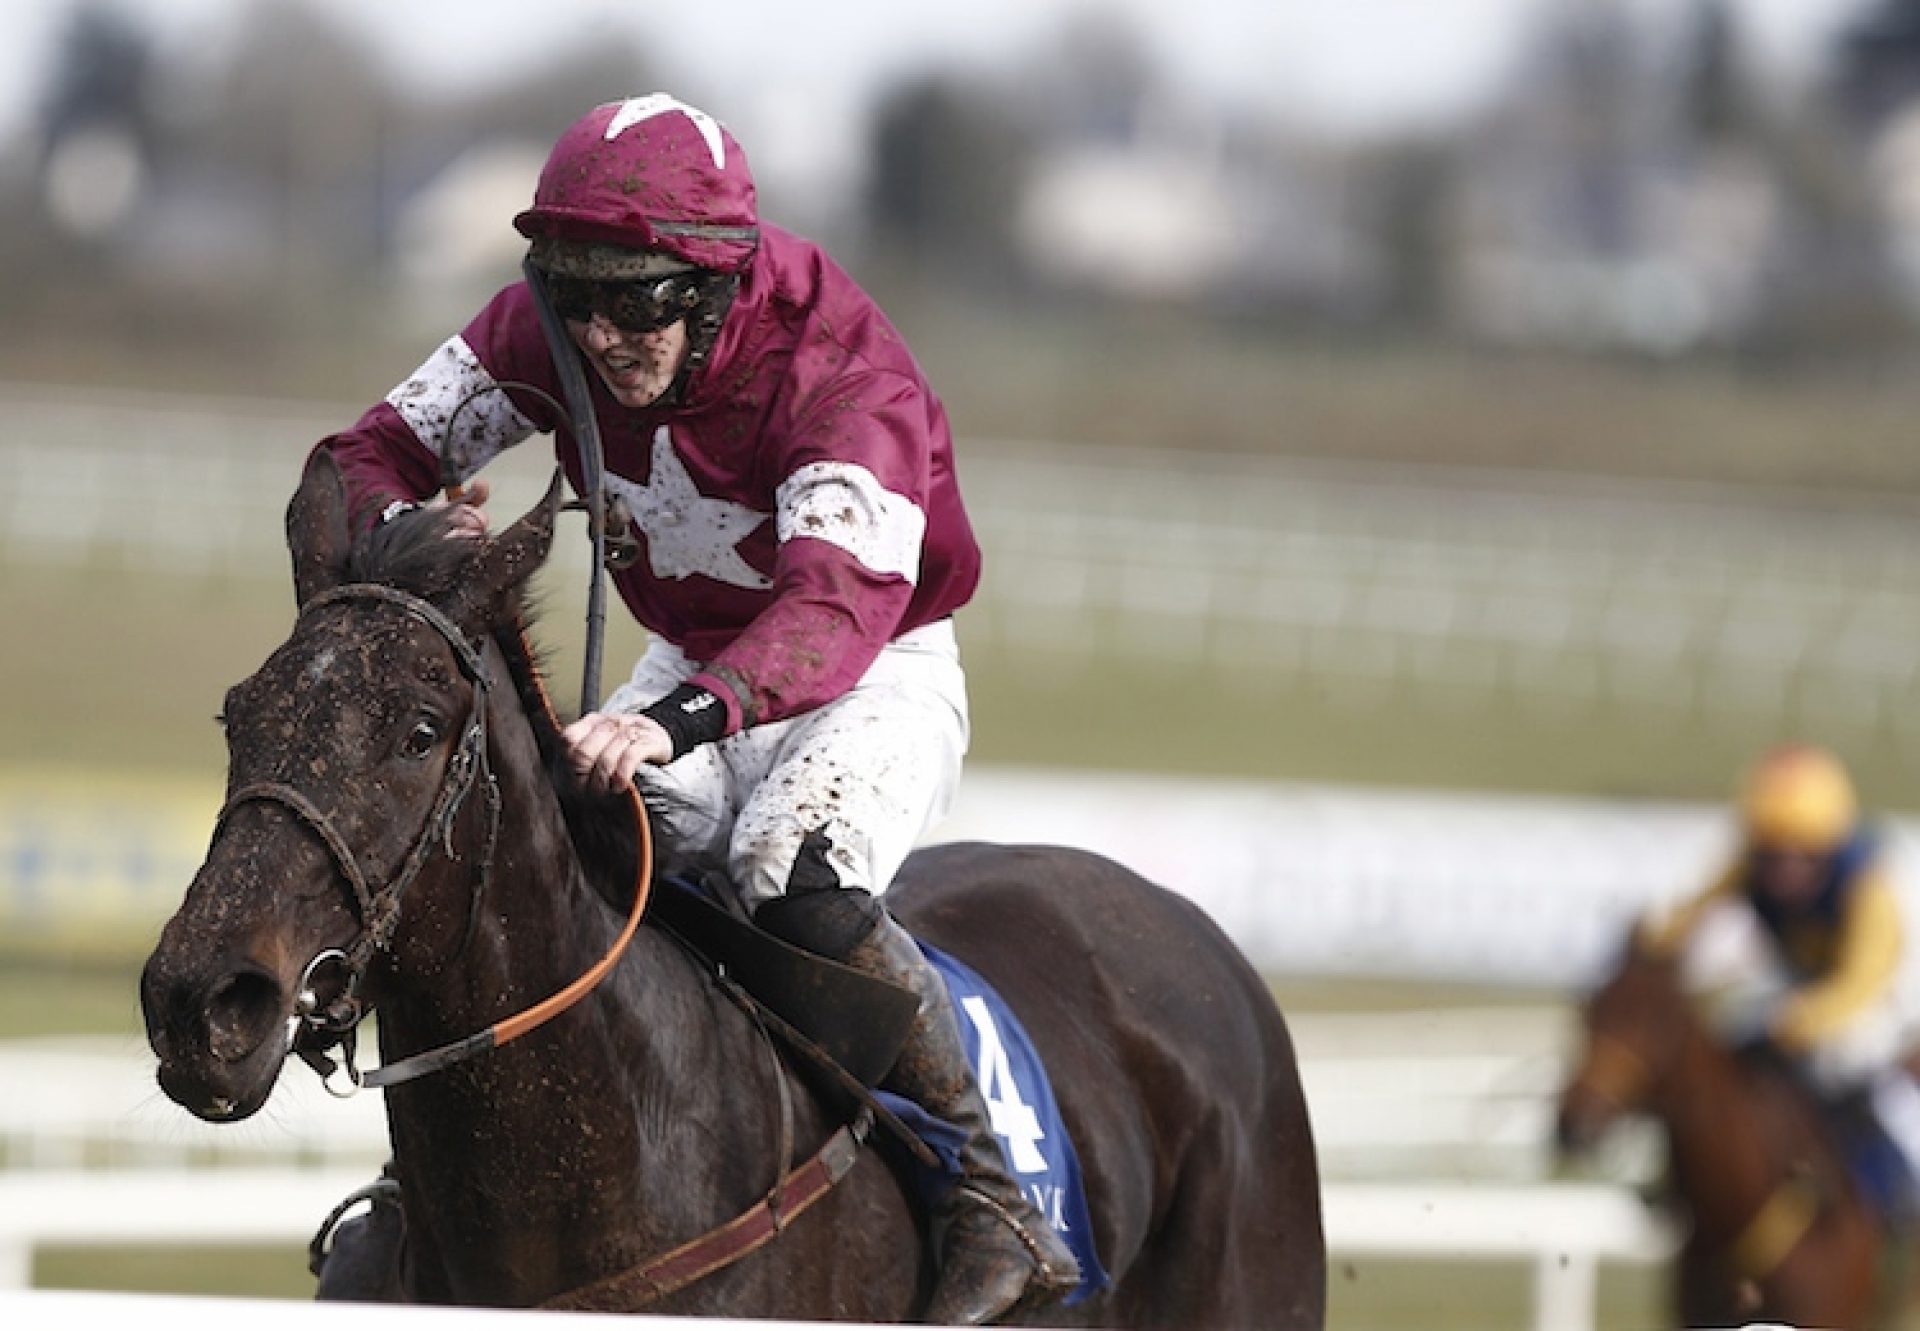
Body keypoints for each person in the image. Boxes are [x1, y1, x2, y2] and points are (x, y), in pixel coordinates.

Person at [317, 92, 1078, 1322]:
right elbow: (368, 450)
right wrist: (408, 526)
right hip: (696, 655)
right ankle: (429, 1180)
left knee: (792, 872)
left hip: (871, 661)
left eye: (640, 299)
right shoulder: (544, 326)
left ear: (718, 284)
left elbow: (832, 609)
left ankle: (992, 1191)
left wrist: (677, 720)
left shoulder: (840, 368)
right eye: (578, 294)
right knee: (559, 866)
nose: (604, 334)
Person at [1643, 744, 1920, 1216]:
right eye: (1771, 856)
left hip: (1894, 993)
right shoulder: (1748, 866)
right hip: (1810, 987)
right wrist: (1649, 946)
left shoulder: (1872, 885)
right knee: (1722, 1036)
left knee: (1846, 1060)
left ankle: (1898, 1192)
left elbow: (1862, 983)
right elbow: (1691, 916)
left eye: (1801, 857)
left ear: (1829, 849)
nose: (1783, 872)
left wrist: (1799, 1021)